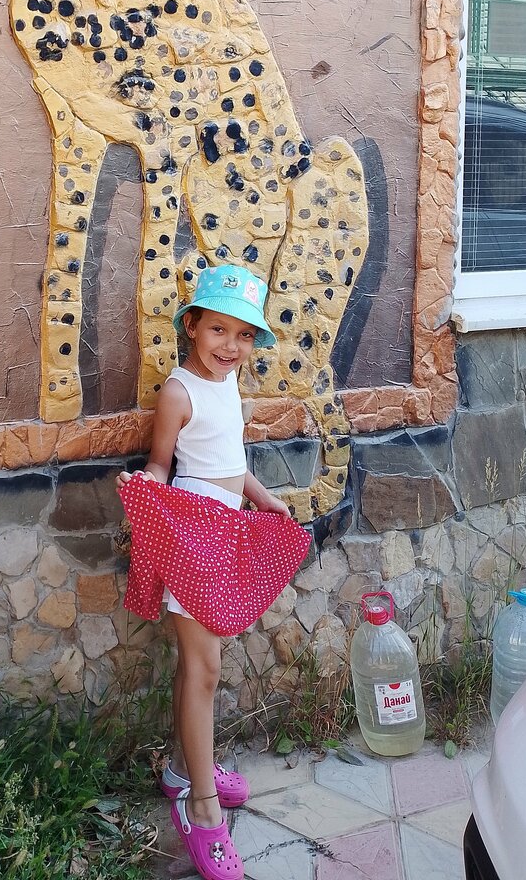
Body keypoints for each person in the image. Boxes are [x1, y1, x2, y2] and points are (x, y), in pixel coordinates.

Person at [117, 264, 301, 880]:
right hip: (194, 536)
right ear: (191, 326)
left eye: (244, 335)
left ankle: (182, 768)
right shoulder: (179, 391)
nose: (231, 345)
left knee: (198, 668)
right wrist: (146, 489)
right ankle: (201, 806)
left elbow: (228, 458)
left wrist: (262, 498)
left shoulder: (227, 384)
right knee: (205, 670)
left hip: (227, 529)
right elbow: (163, 463)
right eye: (219, 329)